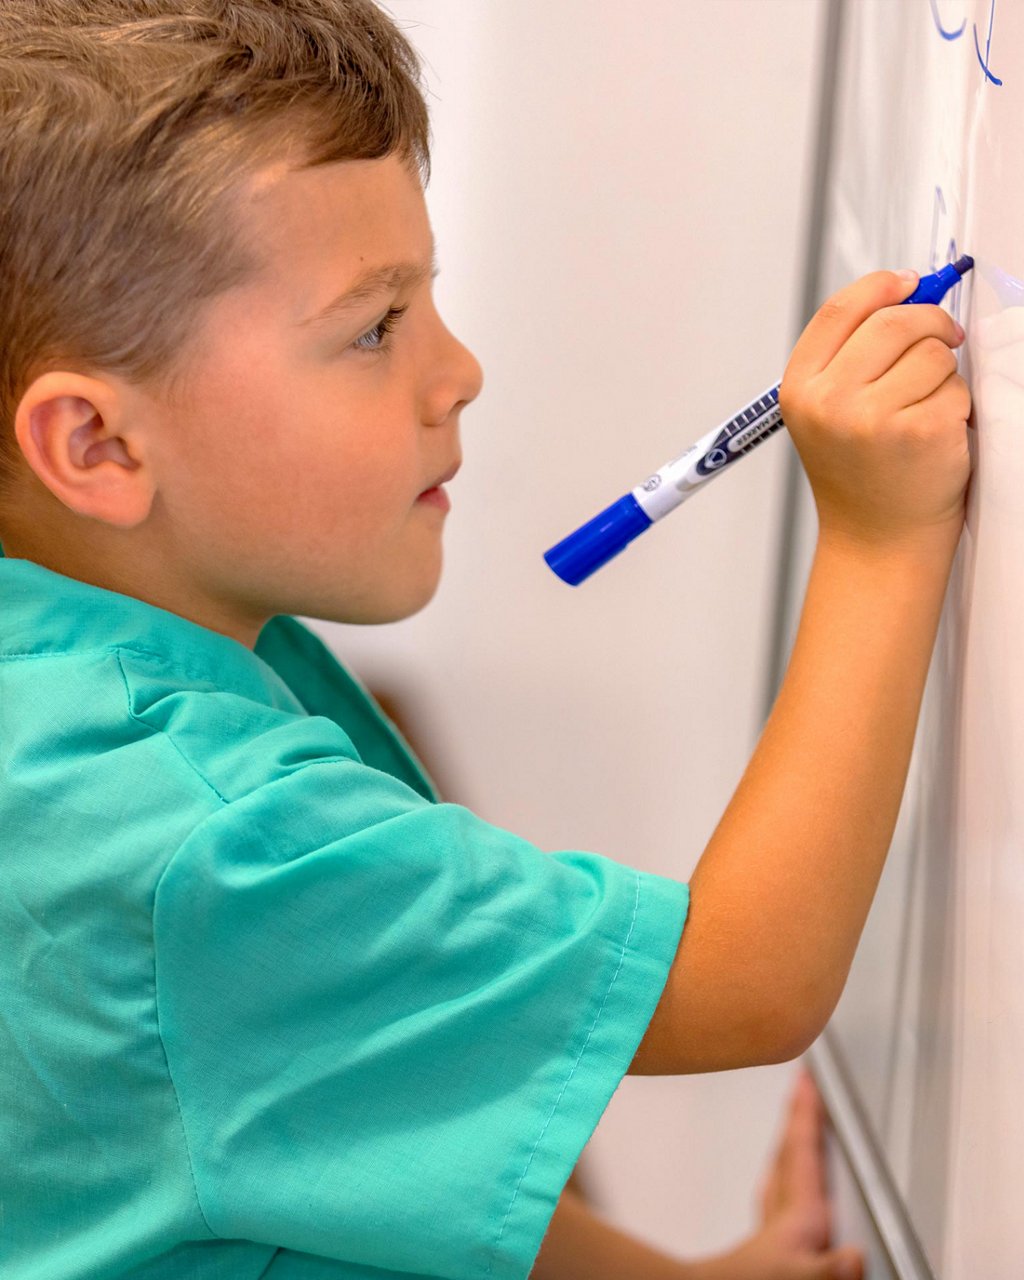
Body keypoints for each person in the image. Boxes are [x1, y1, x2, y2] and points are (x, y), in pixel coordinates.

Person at [0, 3, 970, 1278]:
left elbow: (319, 1121)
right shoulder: (204, 837)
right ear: (97, 445)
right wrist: (880, 543)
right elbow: (743, 979)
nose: (458, 371)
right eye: (374, 326)